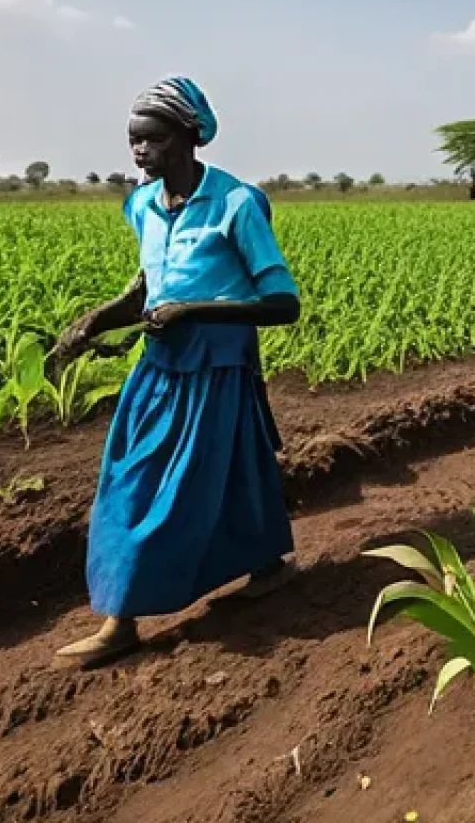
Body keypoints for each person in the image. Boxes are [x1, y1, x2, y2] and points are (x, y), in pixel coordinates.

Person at [50, 77, 301, 668]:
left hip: (217, 371)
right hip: (160, 369)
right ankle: (264, 564)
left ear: (191, 137)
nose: (140, 153)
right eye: (133, 141)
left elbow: (284, 304)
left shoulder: (238, 205)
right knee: (184, 475)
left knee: (154, 491)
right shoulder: (142, 204)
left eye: (153, 140)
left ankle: (122, 621)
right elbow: (147, 288)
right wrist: (94, 321)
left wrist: (193, 312)